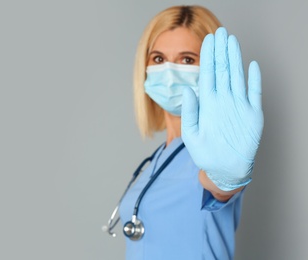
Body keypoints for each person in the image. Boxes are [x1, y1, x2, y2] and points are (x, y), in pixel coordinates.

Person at [103, 5, 263, 260]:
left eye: (187, 59)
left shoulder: (211, 155)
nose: (169, 72)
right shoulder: (157, 160)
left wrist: (229, 177)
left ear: (210, 67)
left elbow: (218, 186)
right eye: (158, 59)